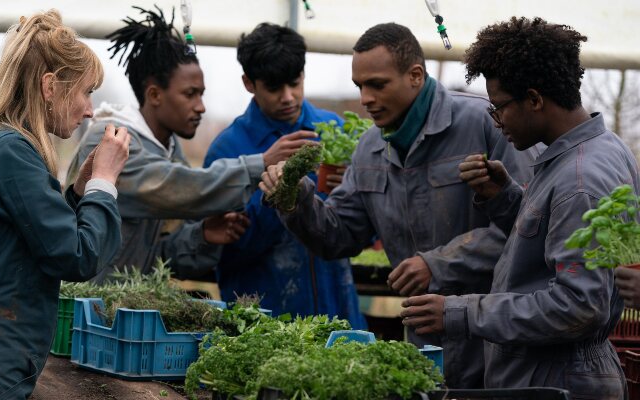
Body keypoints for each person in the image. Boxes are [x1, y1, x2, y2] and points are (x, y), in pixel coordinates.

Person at [257, 22, 538, 388]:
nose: (365, 98)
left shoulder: (487, 123)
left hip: (497, 341)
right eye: (360, 86)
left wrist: (435, 264)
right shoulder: (369, 149)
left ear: (415, 75)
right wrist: (296, 198)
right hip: (425, 347)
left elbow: (527, 229)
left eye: (377, 84)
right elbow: (338, 235)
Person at [400, 17, 637, 398]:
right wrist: (505, 197)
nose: (496, 123)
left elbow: (577, 305)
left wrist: (459, 312)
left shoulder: (580, 181)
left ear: (535, 99)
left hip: (557, 379)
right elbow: (551, 245)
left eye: (499, 108)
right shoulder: (589, 151)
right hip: (549, 371)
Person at [0, 10, 130, 398]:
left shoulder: (0, 144)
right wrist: (104, 184)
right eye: (86, 91)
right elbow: (76, 256)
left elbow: (29, 238)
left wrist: (77, 192)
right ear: (50, 87)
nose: (90, 109)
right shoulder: (12, 152)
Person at [66, 8, 316, 282]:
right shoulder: (110, 140)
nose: (200, 107)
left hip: (127, 310)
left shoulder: (169, 150)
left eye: (202, 94)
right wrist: (260, 164)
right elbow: (174, 187)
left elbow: (161, 258)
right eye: (189, 94)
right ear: (155, 94)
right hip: (85, 311)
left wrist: (204, 235)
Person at [203, 23, 366, 329]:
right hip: (266, 320)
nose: (288, 97)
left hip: (339, 314)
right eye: (274, 88)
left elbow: (361, 228)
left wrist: (352, 190)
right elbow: (226, 251)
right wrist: (278, 195)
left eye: (295, 82)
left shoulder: (334, 129)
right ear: (249, 83)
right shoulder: (228, 150)